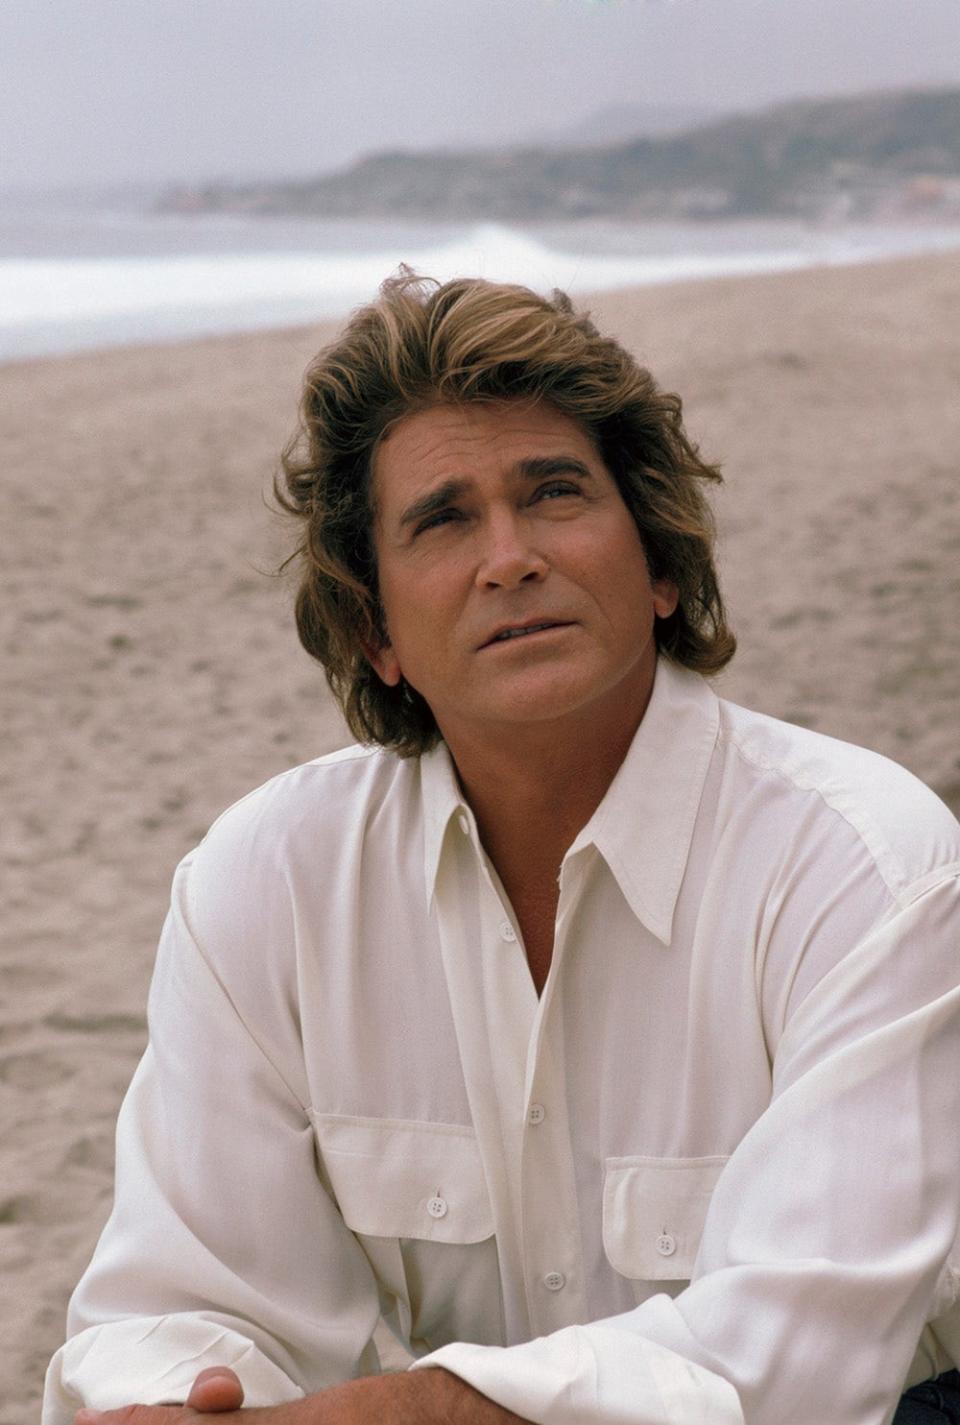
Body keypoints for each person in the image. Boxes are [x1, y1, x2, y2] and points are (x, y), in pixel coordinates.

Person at [44, 272, 960, 1425]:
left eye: (555, 493)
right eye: (443, 519)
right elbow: (176, 1300)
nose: (509, 556)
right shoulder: (267, 885)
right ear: (374, 628)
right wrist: (178, 1401)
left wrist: (405, 1412)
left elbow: (791, 1365)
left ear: (662, 563)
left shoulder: (866, 870)